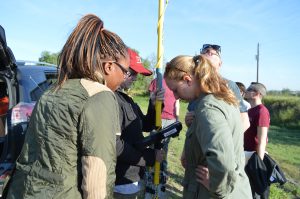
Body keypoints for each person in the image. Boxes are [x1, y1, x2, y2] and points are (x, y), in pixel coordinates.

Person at [7, 14, 129, 199]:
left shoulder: (52, 91)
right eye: (125, 71)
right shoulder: (99, 95)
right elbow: (97, 178)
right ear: (109, 67)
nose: (125, 77)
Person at [164, 54, 252, 198]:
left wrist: (218, 186)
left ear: (187, 80)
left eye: (175, 90)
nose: (175, 96)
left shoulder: (208, 107)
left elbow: (222, 159)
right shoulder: (220, 98)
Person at [114, 48, 165, 199]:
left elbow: (146, 125)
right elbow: (115, 145)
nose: (136, 78)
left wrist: (154, 104)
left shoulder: (127, 100)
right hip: (119, 181)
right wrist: (148, 157)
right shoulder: (111, 100)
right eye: (133, 73)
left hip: (132, 178)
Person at [244, 82, 270, 198]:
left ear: (257, 94)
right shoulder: (250, 110)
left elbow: (262, 139)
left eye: (250, 89)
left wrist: (258, 165)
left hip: (253, 156)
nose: (246, 90)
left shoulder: (262, 111)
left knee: (253, 190)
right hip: (245, 153)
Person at [148, 76, 180, 172]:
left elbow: (177, 102)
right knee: (153, 143)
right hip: (158, 117)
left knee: (164, 146)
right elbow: (151, 99)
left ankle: (162, 171)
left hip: (171, 119)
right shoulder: (156, 81)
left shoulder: (175, 83)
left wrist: (177, 118)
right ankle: (149, 170)